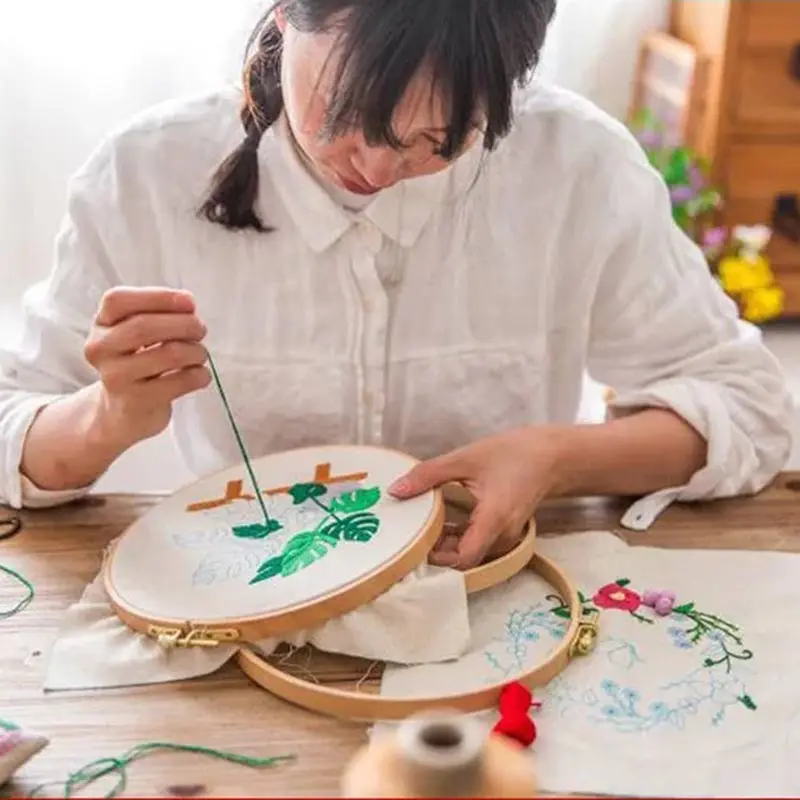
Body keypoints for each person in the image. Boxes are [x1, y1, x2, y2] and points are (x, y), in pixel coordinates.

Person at [0, 0, 793, 570]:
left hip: (496, 612)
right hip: (240, 616)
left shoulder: (578, 168)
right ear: (284, 19)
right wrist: (109, 416)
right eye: (343, 114)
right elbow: (13, 426)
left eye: (438, 138)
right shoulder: (145, 172)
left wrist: (558, 457)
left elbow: (753, 412)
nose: (378, 169)